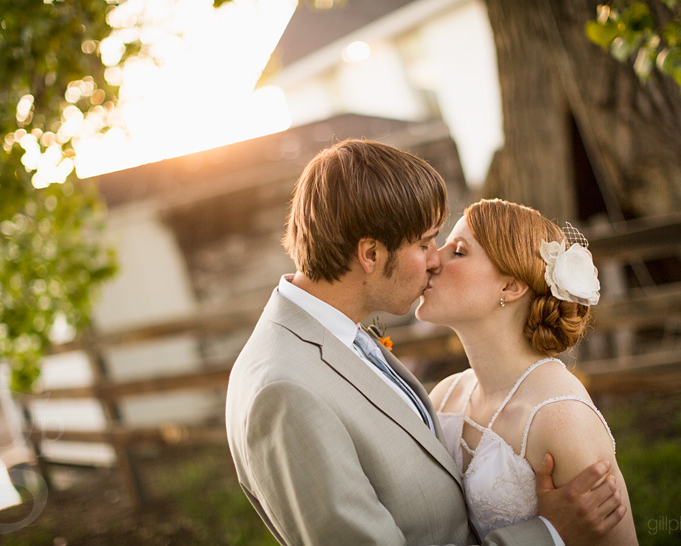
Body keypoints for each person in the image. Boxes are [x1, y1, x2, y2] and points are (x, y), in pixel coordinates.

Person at [225, 139, 626, 546]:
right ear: (370, 254)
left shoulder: (335, 337)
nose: (435, 260)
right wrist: (548, 534)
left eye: (454, 248)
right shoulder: (286, 389)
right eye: (424, 244)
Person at [417, 198, 638, 544]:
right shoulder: (445, 396)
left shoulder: (561, 418)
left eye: (458, 251)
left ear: (510, 286)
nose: (432, 260)